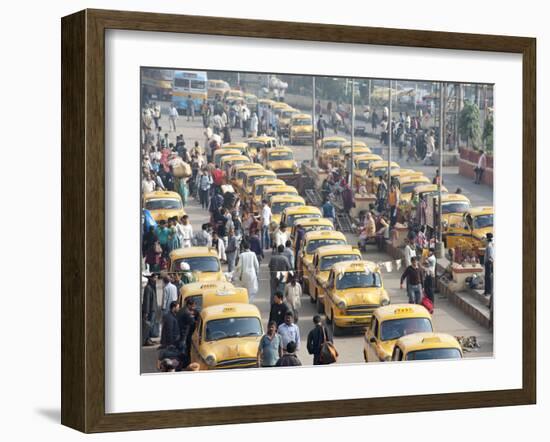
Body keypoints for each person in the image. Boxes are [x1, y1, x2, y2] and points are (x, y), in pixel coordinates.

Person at [177, 297, 196, 367]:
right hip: (183, 335)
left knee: (180, 351)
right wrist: (193, 317)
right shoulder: (187, 313)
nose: (194, 307)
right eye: (193, 306)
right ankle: (182, 366)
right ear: (189, 305)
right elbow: (193, 323)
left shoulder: (181, 310)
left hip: (179, 333)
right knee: (184, 352)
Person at [142, 273, 159, 345]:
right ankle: (146, 340)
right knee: (148, 326)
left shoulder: (152, 286)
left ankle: (149, 339)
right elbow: (147, 301)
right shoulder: (148, 288)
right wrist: (146, 312)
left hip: (153, 309)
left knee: (151, 326)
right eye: (155, 278)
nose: (156, 279)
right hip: (150, 311)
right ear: (151, 278)